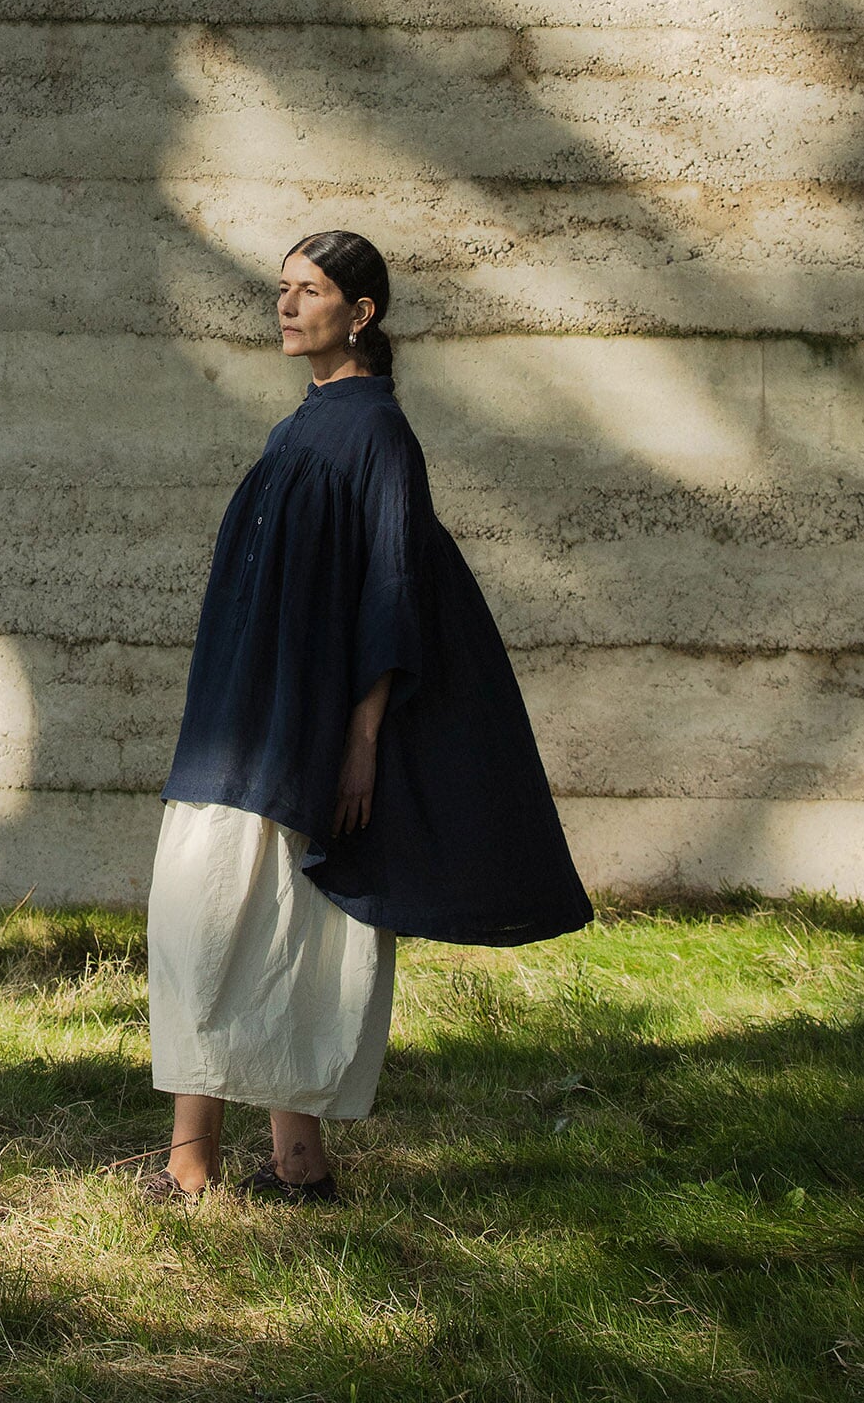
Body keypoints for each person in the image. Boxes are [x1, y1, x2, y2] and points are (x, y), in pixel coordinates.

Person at [144, 228, 592, 1204]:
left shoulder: (376, 432)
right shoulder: (299, 426)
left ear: (361, 312)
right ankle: (279, 1162)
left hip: (299, 727)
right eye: (280, 288)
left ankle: (211, 1164)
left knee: (263, 921)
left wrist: (360, 738)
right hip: (240, 715)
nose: (285, 305)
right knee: (205, 915)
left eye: (308, 291)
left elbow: (393, 586)